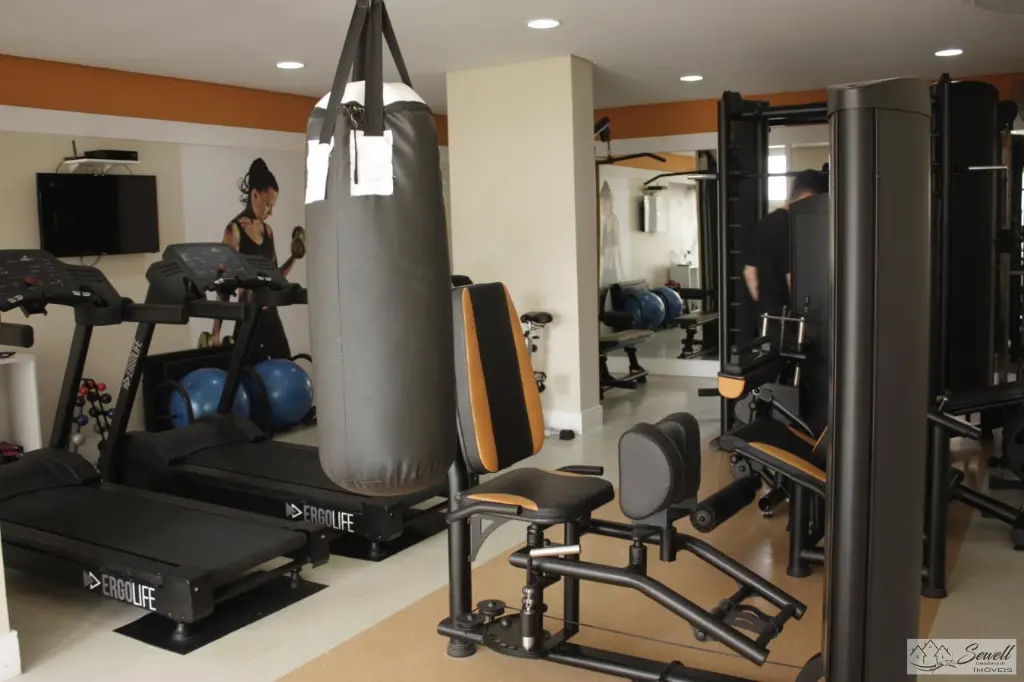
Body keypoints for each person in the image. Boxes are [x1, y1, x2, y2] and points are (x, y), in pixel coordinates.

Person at [210, 158, 294, 362]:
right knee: (246, 373)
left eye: (273, 206)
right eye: (268, 205)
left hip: (270, 317)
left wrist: (295, 256)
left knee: (286, 366)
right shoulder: (234, 231)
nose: (271, 211)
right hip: (248, 317)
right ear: (255, 195)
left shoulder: (268, 231)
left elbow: (275, 278)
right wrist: (216, 331)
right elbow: (222, 285)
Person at [742, 169, 828, 333]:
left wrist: (766, 308)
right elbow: (793, 280)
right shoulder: (793, 225)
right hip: (791, 324)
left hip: (768, 321)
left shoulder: (765, 222)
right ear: (809, 197)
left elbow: (749, 273)